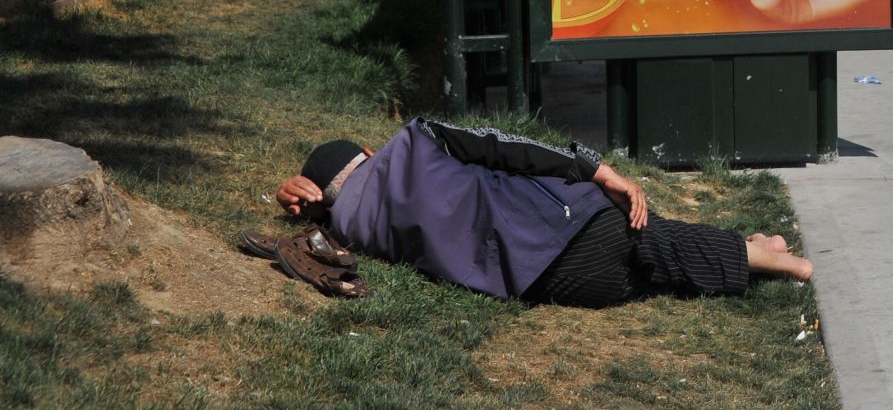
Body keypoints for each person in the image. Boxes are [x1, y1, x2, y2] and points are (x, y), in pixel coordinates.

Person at [273, 117, 811, 306]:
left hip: (552, 286)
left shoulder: (352, 227)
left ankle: (756, 249)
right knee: (655, 240)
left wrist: (306, 211)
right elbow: (507, 145)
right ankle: (777, 261)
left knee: (655, 272)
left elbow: (324, 224)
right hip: (562, 226)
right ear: (368, 154)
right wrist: (600, 171)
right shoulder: (417, 140)